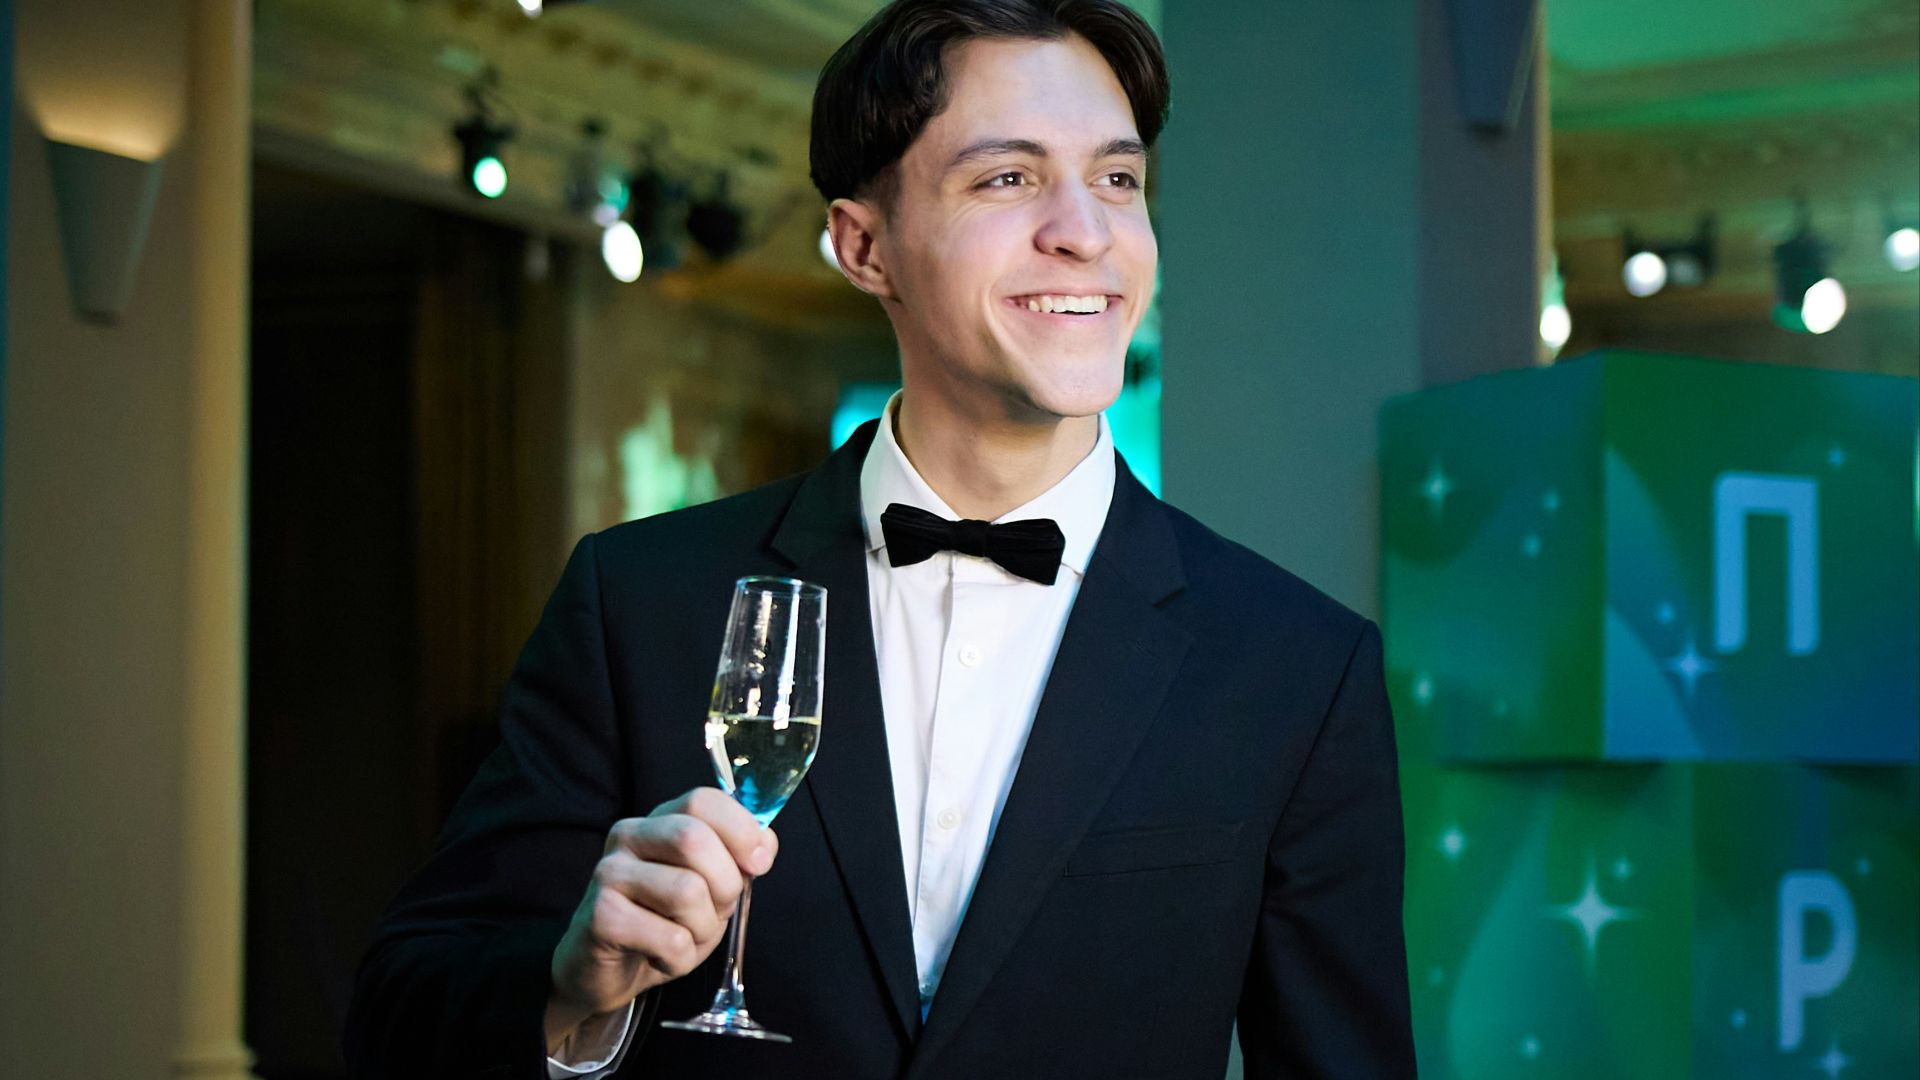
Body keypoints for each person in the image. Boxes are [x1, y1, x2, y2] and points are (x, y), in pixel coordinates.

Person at [342, 1, 1415, 1076]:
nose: (1085, 231)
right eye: (1008, 178)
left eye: (1118, 179)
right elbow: (402, 1013)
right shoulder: (638, 602)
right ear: (864, 246)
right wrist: (573, 983)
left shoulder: (1296, 669)